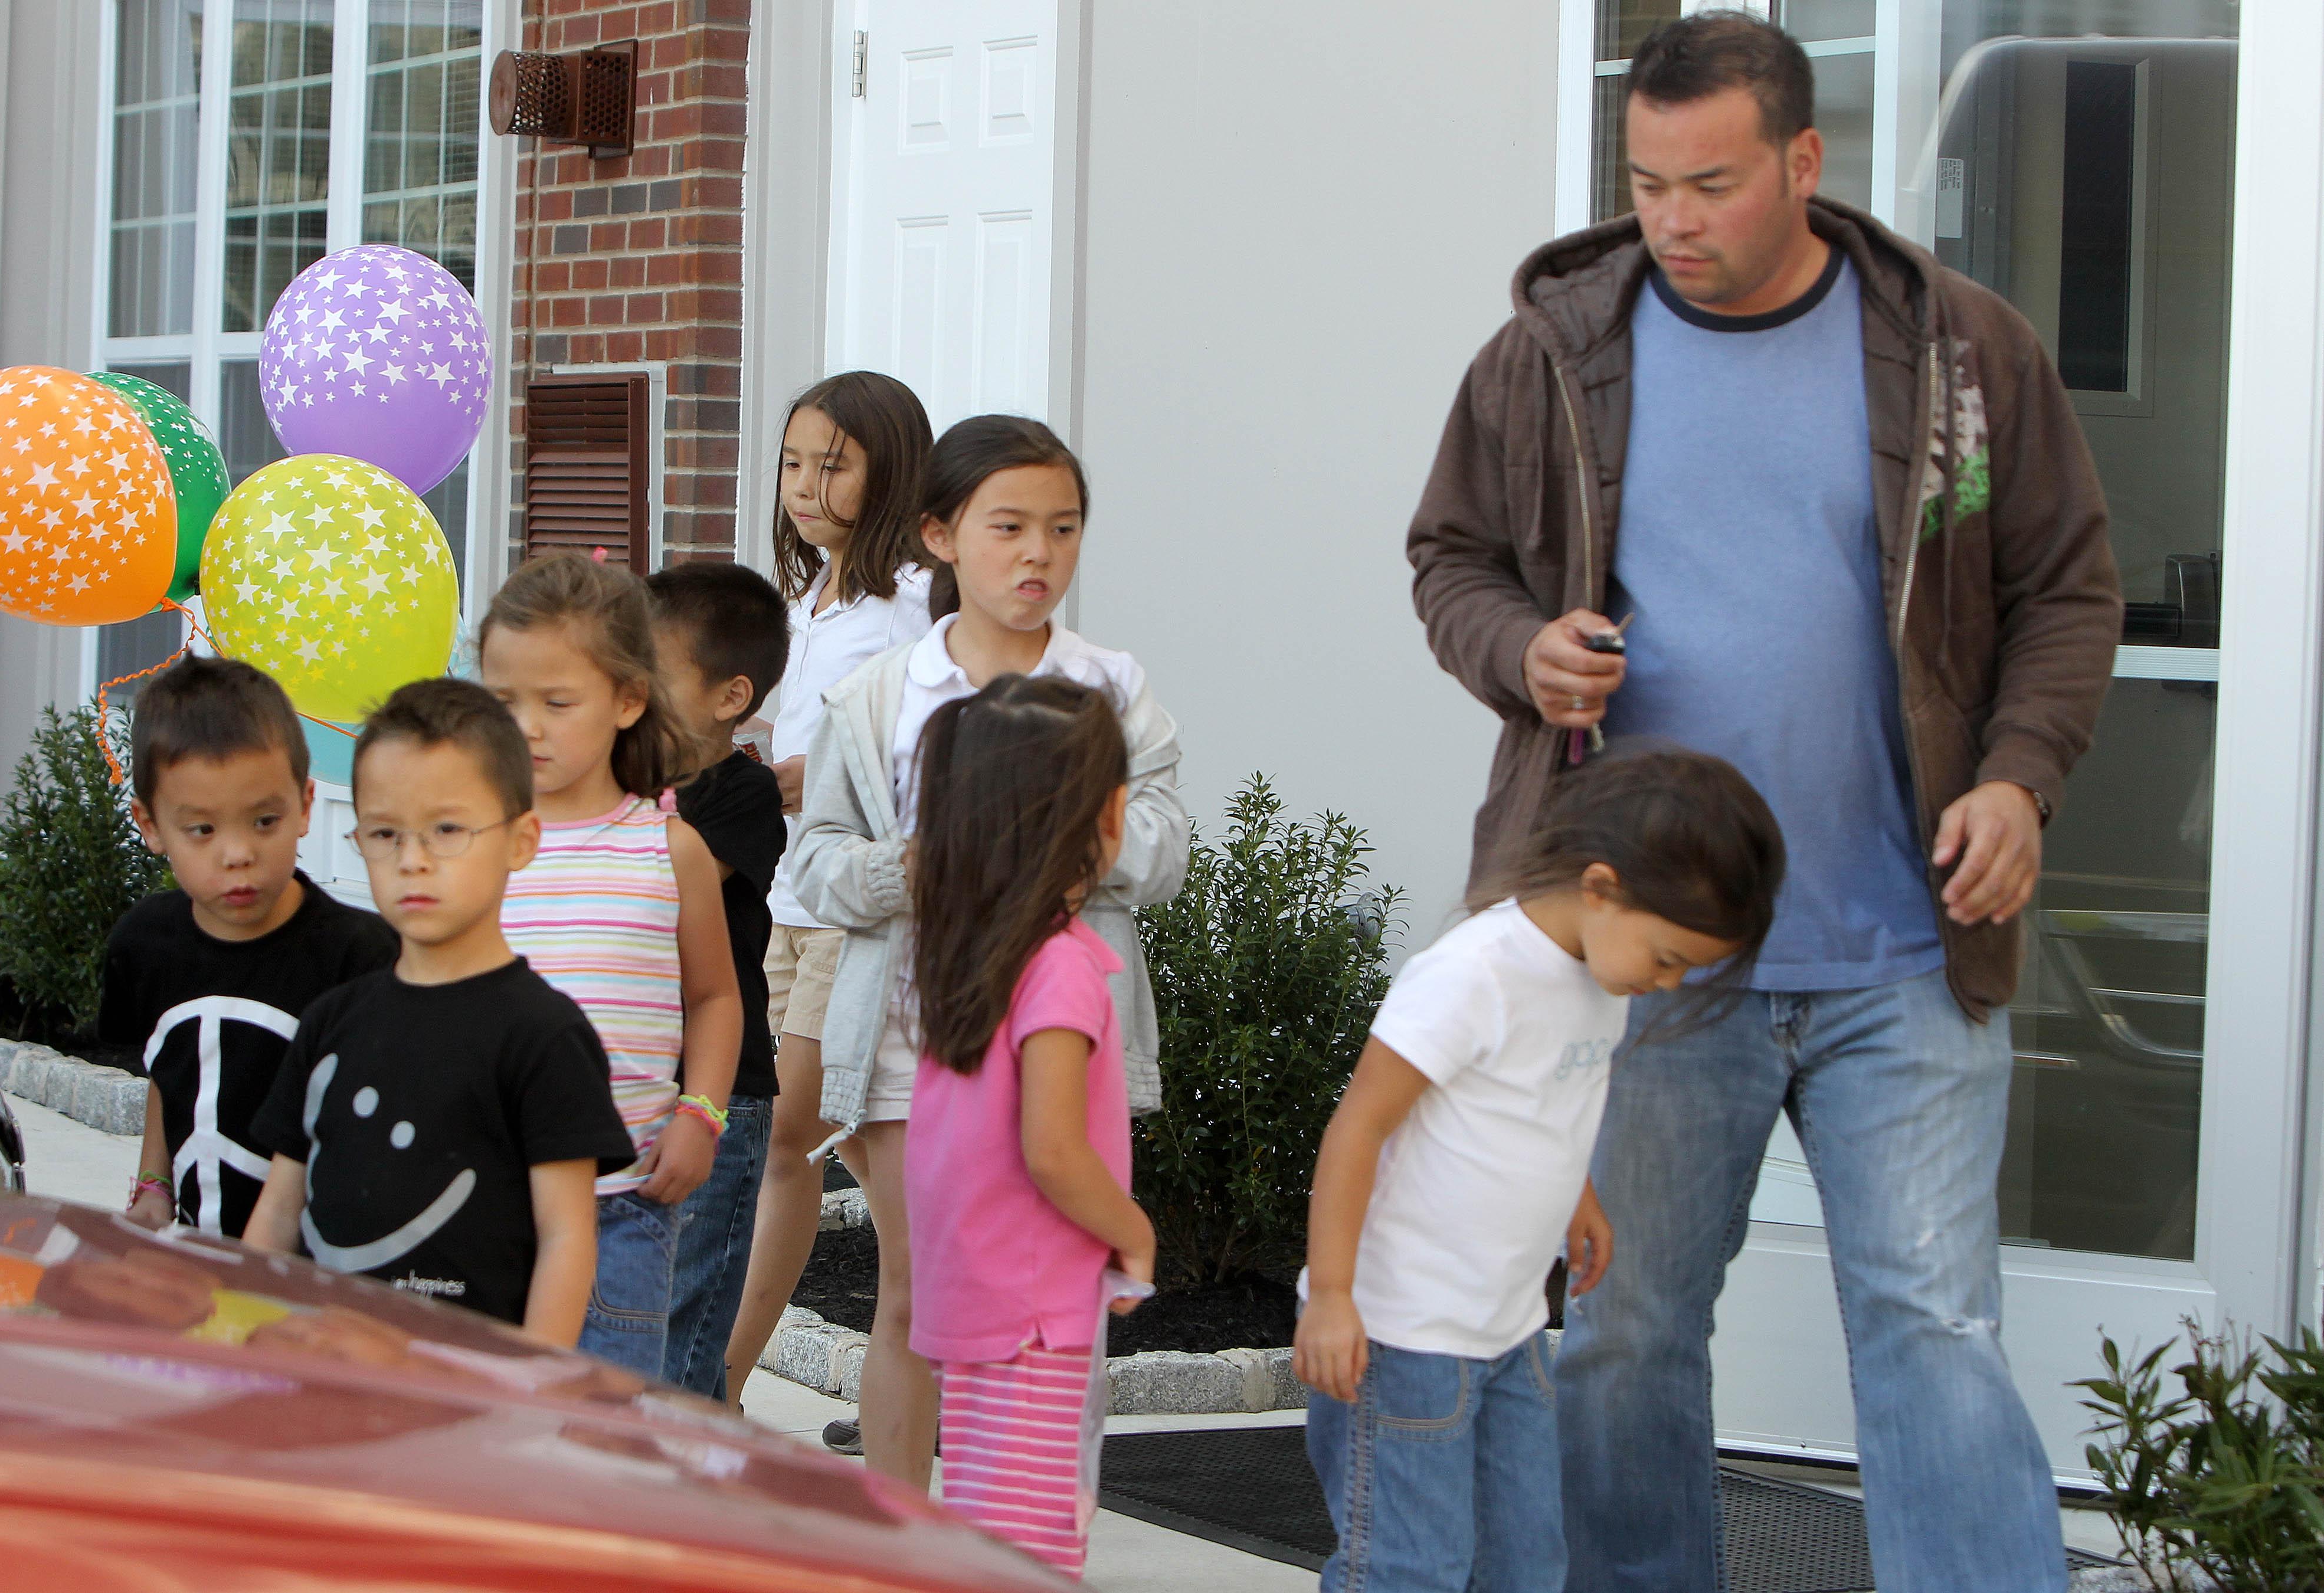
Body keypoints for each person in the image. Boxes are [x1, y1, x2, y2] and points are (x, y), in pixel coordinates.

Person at [1403, 13, 2121, 1590]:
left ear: (1804, 161)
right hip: (1637, 953)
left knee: (1934, 1333)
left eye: (1710, 184)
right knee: (1621, 1333)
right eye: (1648, 183)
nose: (1673, 220)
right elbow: (1449, 560)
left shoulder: (1959, 350)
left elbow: (2065, 586)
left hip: (1907, 949)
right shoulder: (1549, 355)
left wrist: (2019, 778)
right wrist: (1521, 650)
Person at [790, 413, 1189, 1485]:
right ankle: (896, 1542)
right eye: (1007, 526)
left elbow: (1161, 855)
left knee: (1057, 1297)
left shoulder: (1112, 687)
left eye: (1062, 530)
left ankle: (1022, 1531)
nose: (1037, 555)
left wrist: (1047, 836)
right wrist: (912, 867)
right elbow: (816, 863)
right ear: (937, 534)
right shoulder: (875, 696)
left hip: (1062, 1042)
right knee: (915, 1294)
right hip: (907, 1041)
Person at [1294, 748, 1783, 1593]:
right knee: (1409, 1570)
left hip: (1507, 1330)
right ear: (1600, 887)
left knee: (1527, 1566)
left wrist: (1577, 1198)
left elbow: (1544, 1101)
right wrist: (1334, 1297)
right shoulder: (1470, 975)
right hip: (1402, 1337)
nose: (1666, 984)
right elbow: (1357, 1128)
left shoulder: (1599, 973)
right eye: (1665, 958)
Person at [244, 679, 637, 1345]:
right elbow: (279, 1210)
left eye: (447, 830)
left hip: (467, 1396)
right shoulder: (330, 1022)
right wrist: (242, 1336)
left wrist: (530, 1389)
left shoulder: (545, 1035)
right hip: (318, 1378)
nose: (413, 861)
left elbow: (567, 1234)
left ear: (521, 840)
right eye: (386, 833)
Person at [904, 674, 1159, 1578]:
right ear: (1106, 817)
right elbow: (1051, 1148)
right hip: (1033, 1319)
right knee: (1028, 1556)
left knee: (987, 1541)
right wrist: (1132, 1230)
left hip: (973, 1298)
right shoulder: (1058, 973)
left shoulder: (962, 962)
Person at [726, 370, 940, 1419]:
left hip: (851, 913)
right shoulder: (806, 600)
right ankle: (931, 1344)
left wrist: (813, 773)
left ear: (886, 470)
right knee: (829, 1137)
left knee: (790, 1132)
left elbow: (919, 747)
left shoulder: (904, 606)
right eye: (794, 462)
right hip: (787, 898)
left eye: (834, 464)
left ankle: (715, 1380)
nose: (806, 485)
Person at [479, 552, 744, 1380]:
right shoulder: (469, 845)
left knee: (604, 1443)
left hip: (624, 1207)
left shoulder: (670, 850)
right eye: (502, 701)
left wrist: (701, 1113)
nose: (527, 726)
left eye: (557, 703)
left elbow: (714, 998)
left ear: (627, 699)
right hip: (484, 1198)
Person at [102, 655, 397, 1237]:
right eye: (203, 830)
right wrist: (153, 1186)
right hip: (196, 1267)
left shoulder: (363, 959)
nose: (237, 853)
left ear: (306, 805)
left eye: (264, 820)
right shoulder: (143, 944)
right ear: (150, 824)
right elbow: (170, 1070)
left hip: (324, 1282)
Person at [640, 559, 793, 1398]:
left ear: (729, 697)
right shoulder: (616, 789)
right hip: (627, 1079)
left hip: (717, 1094)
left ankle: (686, 1504)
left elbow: (664, 888)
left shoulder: (740, 797)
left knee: (680, 1334)